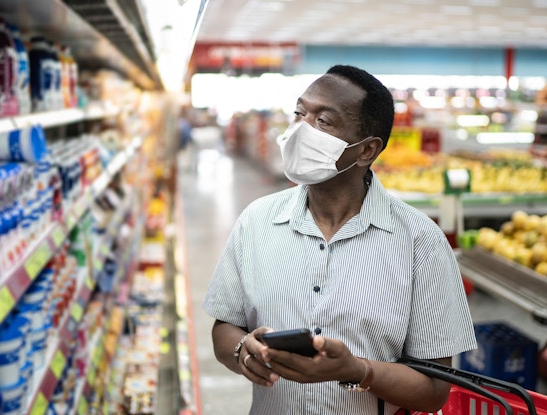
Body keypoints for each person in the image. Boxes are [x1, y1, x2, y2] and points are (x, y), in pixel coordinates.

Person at [202, 65, 477, 415]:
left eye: (323, 121)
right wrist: (243, 349)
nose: (301, 129)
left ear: (366, 150)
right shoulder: (257, 221)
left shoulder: (419, 242)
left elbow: (435, 389)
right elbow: (224, 325)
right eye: (299, 113)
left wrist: (358, 371)